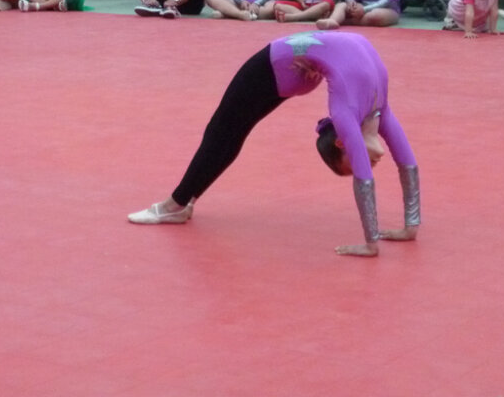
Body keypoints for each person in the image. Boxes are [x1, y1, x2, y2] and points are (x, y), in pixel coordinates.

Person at [127, 29, 422, 258]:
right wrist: (372, 242)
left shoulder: (373, 112)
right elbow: (366, 175)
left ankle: (178, 204)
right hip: (275, 63)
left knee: (229, 133)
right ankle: (177, 204)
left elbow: (407, 162)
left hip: (297, 69)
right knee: (222, 132)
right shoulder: (352, 113)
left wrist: (410, 228)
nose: (371, 163)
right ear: (344, 143)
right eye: (362, 160)